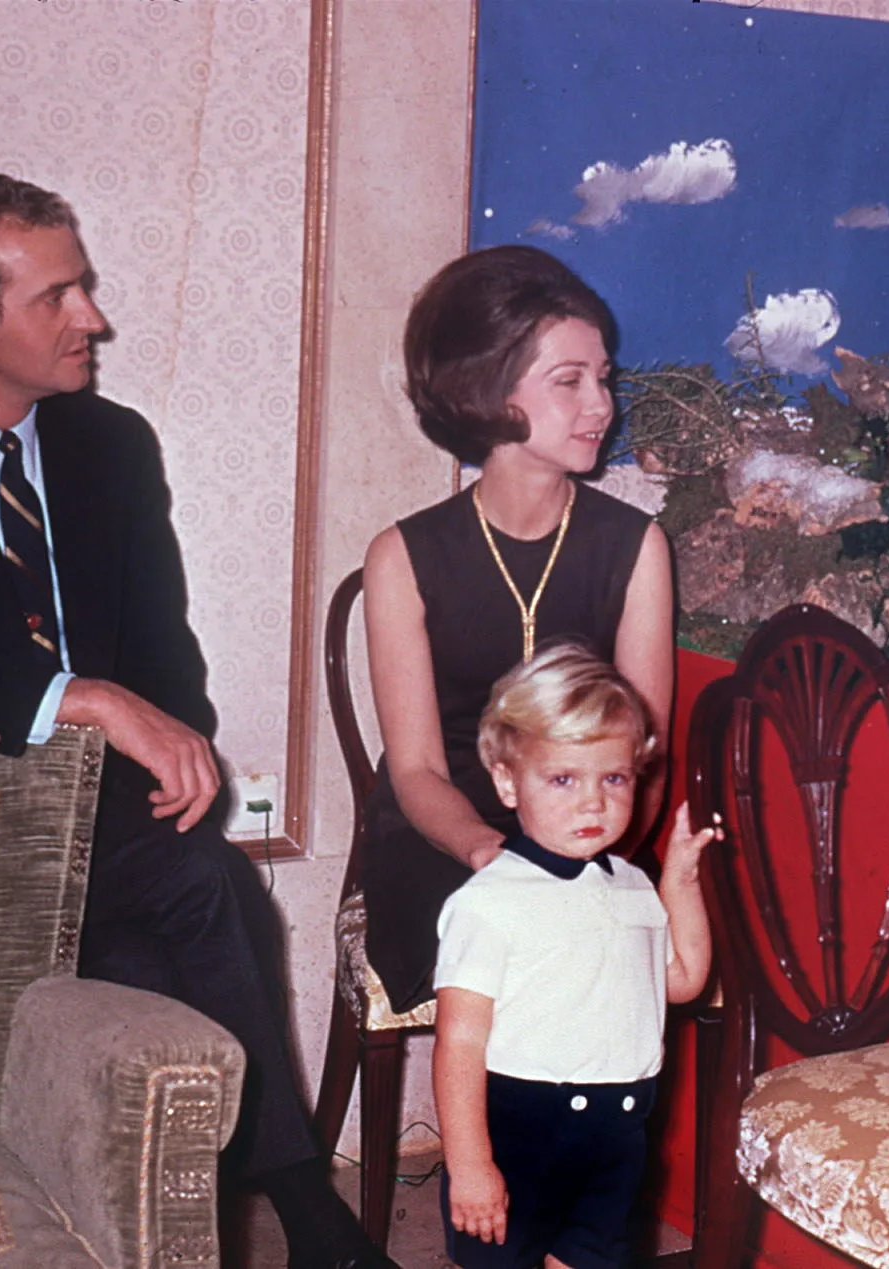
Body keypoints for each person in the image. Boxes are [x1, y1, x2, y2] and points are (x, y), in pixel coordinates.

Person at [0, 172, 381, 1269]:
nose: (90, 318)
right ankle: (304, 1205)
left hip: (92, 832)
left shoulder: (110, 447)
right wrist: (70, 698)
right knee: (188, 914)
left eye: (82, 288)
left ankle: (275, 1206)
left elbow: (166, 666)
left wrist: (168, 760)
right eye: (58, 295)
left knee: (193, 895)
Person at [360, 245, 675, 1013]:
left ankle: (573, 1135)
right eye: (569, 381)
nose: (601, 404)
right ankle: (479, 1138)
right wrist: (491, 851)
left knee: (582, 935)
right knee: (506, 931)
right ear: (486, 387)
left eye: (603, 378)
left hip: (595, 829)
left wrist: (584, 856)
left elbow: (645, 754)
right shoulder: (402, 556)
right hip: (446, 842)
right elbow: (416, 771)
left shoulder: (635, 546)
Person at [433, 642, 715, 1269]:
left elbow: (684, 980)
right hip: (520, 1132)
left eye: (613, 778)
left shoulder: (633, 885)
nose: (593, 801)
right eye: (563, 779)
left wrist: (681, 882)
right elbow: (458, 1044)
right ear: (508, 781)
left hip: (616, 1138)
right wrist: (471, 1165)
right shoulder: (490, 902)